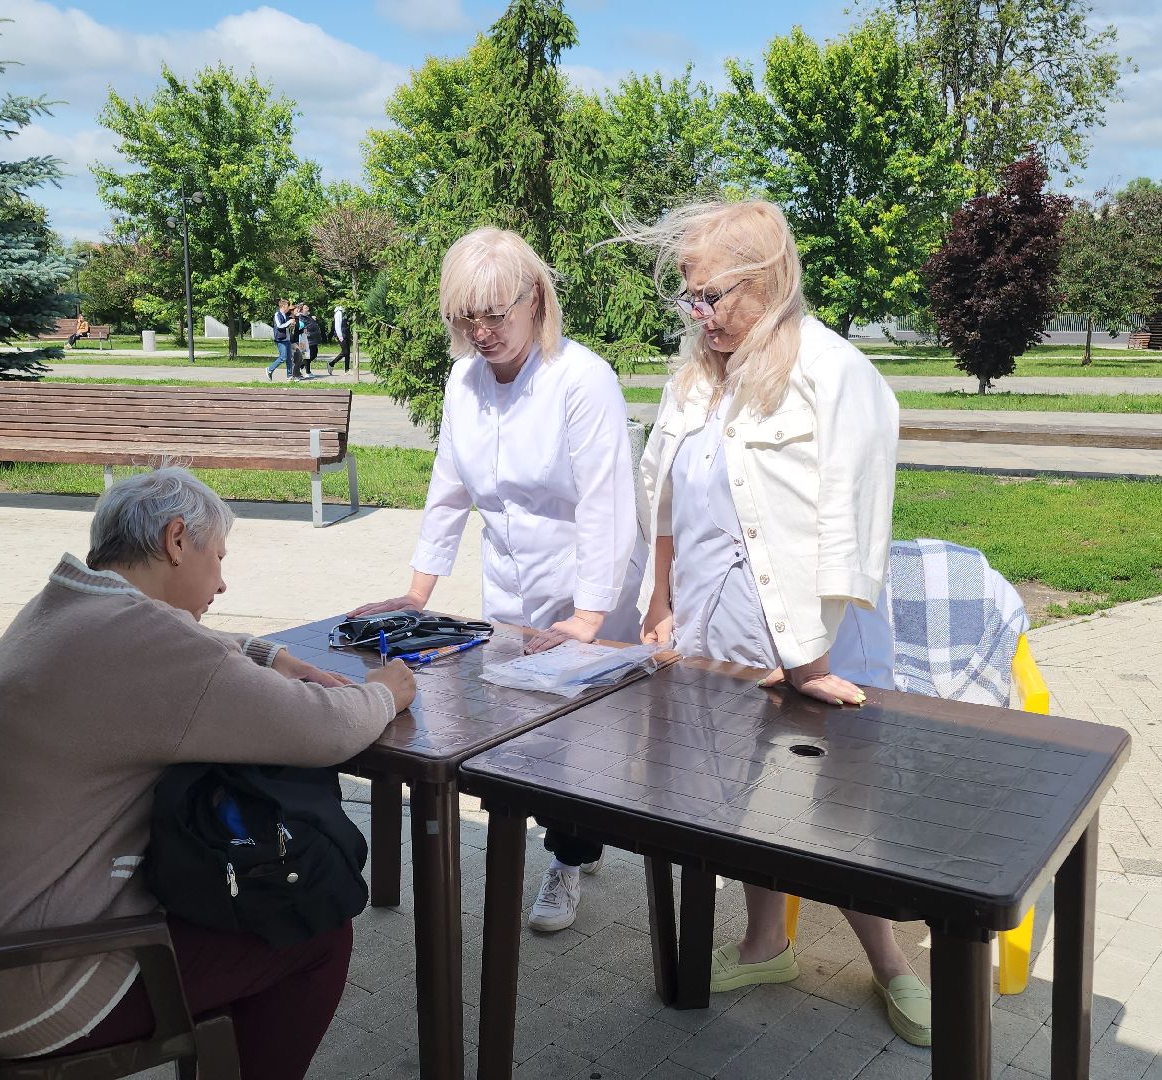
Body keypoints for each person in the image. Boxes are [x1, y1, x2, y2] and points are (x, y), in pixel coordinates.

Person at [0, 468, 417, 1077]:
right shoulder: (143, 639)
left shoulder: (70, 605)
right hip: (33, 989)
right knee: (309, 931)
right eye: (218, 558)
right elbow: (322, 730)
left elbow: (185, 652)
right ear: (177, 540)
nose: (223, 582)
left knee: (236, 903)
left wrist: (268, 654)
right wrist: (384, 693)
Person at [623, 200, 927, 1046]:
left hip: (810, 636)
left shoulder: (834, 371)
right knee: (738, 796)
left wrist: (809, 659)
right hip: (714, 628)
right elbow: (664, 496)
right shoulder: (693, 377)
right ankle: (766, 944)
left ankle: (891, 962)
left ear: (768, 281)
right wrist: (658, 600)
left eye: (712, 296)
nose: (700, 314)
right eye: (690, 297)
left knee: (833, 806)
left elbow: (854, 514)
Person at [348, 226, 646, 932]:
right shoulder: (464, 382)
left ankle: (569, 858)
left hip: (588, 584)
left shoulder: (582, 379)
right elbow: (448, 489)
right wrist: (417, 592)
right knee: (520, 732)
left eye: (494, 314)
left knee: (585, 736)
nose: (480, 333)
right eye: (465, 318)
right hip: (510, 588)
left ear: (535, 299)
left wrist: (588, 616)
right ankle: (562, 837)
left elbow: (607, 504)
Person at [266, 298, 294, 380]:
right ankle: (269, 369)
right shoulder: (277, 314)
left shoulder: (285, 315)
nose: (288, 308)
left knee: (289, 358)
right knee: (283, 357)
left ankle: (290, 376)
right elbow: (279, 326)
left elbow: (286, 326)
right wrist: (289, 322)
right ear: (283, 306)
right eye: (288, 306)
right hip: (281, 339)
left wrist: (291, 325)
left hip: (287, 339)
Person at [327, 304, 350, 374]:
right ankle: (331, 364)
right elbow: (337, 325)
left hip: (346, 334)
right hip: (341, 335)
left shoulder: (345, 312)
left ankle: (347, 370)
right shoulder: (338, 312)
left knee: (348, 353)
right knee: (345, 352)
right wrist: (340, 336)